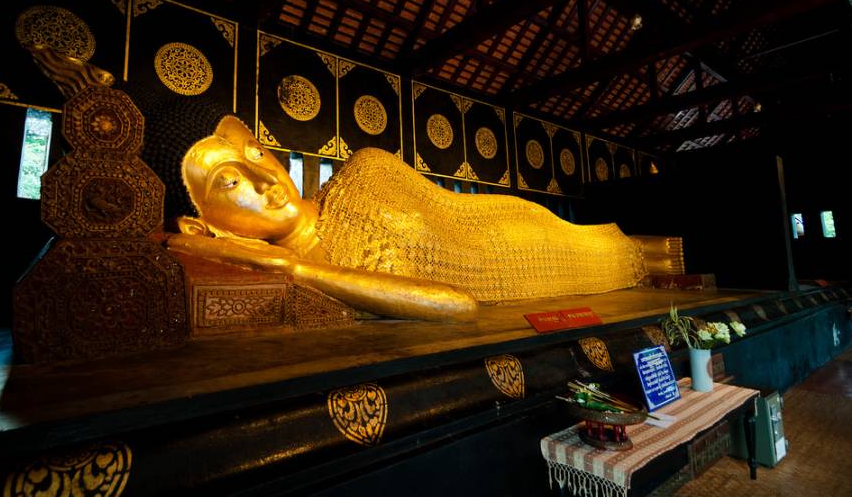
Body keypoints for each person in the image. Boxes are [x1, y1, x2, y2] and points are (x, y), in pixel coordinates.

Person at [167, 115, 647, 322]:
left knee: (607, 246)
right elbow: (456, 305)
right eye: (231, 183)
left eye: (258, 153)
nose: (266, 179)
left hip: (514, 224)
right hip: (521, 272)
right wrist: (289, 267)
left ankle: (645, 250)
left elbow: (452, 209)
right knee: (617, 256)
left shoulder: (363, 167)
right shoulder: (325, 273)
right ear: (208, 226)